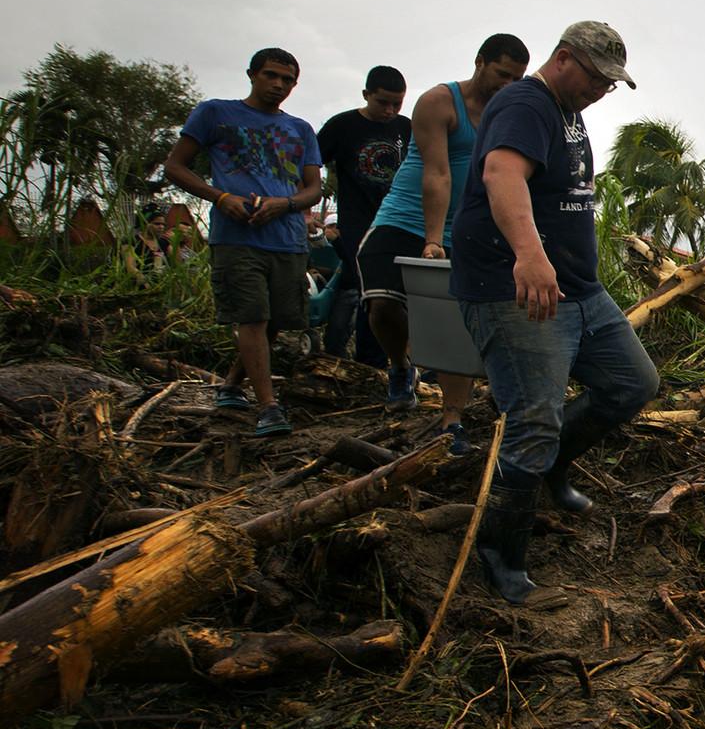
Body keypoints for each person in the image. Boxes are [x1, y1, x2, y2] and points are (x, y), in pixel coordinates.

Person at [451, 23, 658, 602]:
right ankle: (501, 553)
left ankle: (548, 470)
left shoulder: (569, 109)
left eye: (611, 85)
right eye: (596, 78)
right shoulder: (525, 101)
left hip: (579, 290)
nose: (601, 91)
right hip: (514, 287)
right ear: (564, 59)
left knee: (631, 383)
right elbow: (501, 174)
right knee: (533, 421)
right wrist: (529, 255)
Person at [360, 33, 530, 450]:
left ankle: (451, 421)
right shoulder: (439, 101)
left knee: (458, 325)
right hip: (404, 217)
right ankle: (400, 365)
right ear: (480, 62)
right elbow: (437, 173)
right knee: (383, 304)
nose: (508, 84)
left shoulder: (509, 113)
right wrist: (433, 240)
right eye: (502, 74)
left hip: (466, 228)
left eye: (517, 79)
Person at [164, 47, 323, 437]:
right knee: (252, 315)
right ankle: (268, 408)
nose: (278, 85)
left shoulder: (300, 129)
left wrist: (284, 204)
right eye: (271, 75)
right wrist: (221, 197)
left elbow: (314, 188)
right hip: (237, 235)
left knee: (273, 322)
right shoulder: (216, 113)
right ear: (252, 74)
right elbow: (175, 166)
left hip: (286, 239)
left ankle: (233, 385)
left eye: (287, 80)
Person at [315, 66, 411, 366]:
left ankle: (401, 360)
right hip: (357, 224)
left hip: (398, 222)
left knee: (400, 293)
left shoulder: (406, 128)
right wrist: (306, 209)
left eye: (397, 103)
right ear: (366, 95)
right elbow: (309, 165)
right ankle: (369, 363)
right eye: (383, 102)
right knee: (371, 291)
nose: (390, 110)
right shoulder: (342, 126)